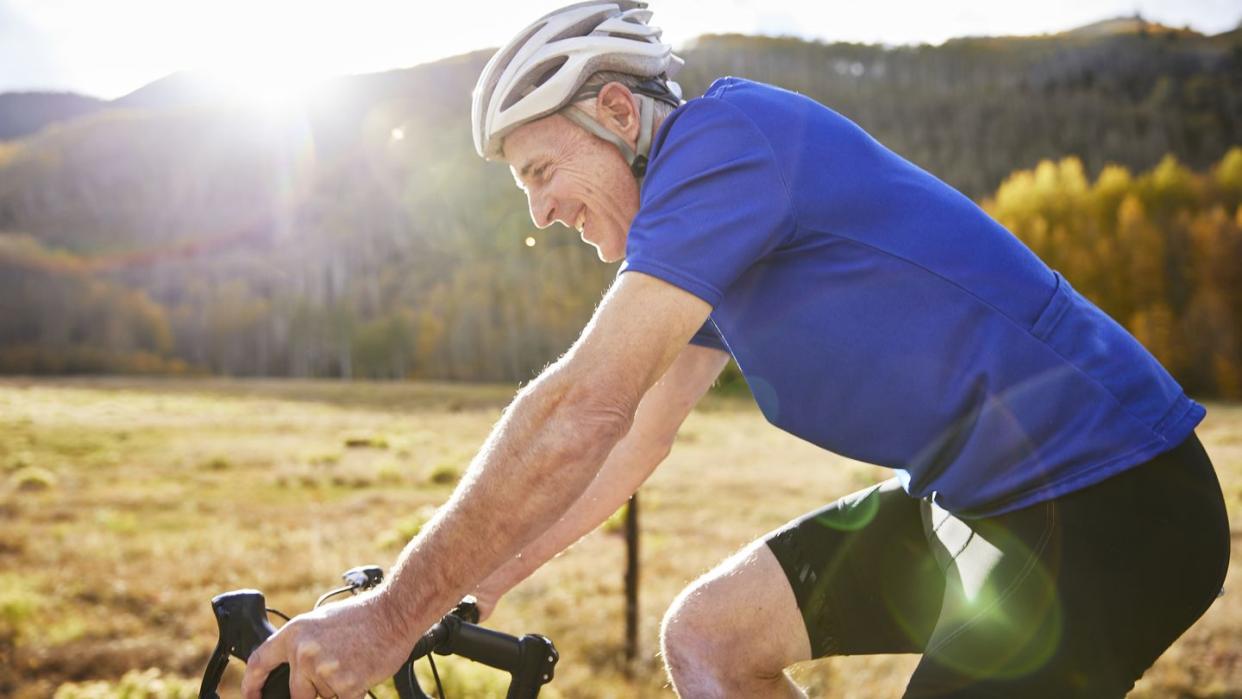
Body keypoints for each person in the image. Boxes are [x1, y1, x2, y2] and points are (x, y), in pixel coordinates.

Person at [242, 2, 1231, 697]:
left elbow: (583, 403)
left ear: (618, 114)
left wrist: (388, 620)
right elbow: (627, 437)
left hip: (1114, 498)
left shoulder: (730, 142)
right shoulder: (706, 234)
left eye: (544, 169)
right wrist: (469, 587)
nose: (541, 212)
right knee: (710, 638)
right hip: (981, 501)